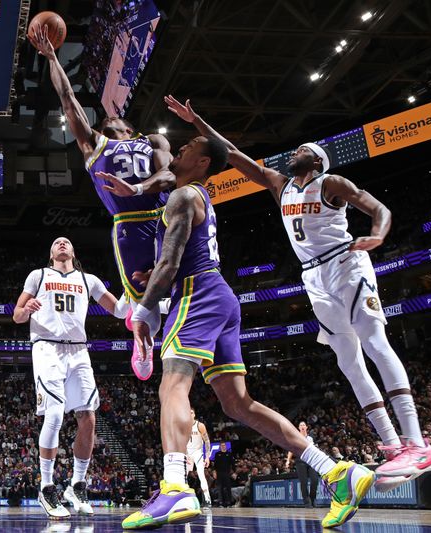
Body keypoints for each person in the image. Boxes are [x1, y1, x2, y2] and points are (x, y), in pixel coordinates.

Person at [166, 96, 431, 487]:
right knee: (348, 362)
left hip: (346, 264)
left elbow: (379, 209)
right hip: (313, 278)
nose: (294, 152)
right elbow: (231, 153)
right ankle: (394, 446)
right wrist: (197, 120)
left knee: (375, 342)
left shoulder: (330, 183)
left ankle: (417, 442)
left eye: (302, 150)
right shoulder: (280, 187)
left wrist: (378, 236)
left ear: (316, 161)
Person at [119, 130, 374, 530]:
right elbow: (174, 259)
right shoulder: (195, 198)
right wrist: (155, 272)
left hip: (196, 294)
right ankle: (335, 472)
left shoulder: (184, 196)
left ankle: (174, 487)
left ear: (203, 163)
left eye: (187, 149)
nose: (180, 150)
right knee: (237, 404)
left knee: (172, 384)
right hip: (220, 296)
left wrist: (141, 313)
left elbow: (172, 266)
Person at [30, 25, 173, 381]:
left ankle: (160, 315)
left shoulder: (152, 140)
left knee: (179, 280)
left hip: (166, 215)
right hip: (130, 226)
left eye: (112, 119)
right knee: (142, 294)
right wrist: (52, 58)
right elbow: (68, 99)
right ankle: (143, 340)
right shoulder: (95, 145)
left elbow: (170, 177)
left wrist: (137, 189)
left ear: (126, 125)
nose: (106, 119)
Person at [13, 237, 128, 519]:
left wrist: (137, 289)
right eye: (56, 242)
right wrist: (26, 310)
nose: (62, 243)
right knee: (54, 415)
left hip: (78, 350)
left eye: (66, 242)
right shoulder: (38, 275)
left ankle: (77, 484)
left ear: (73, 252)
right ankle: (47, 486)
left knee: (88, 416)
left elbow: (121, 311)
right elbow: (16, 315)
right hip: (47, 347)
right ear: (51, 252)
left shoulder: (89, 280)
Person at [285, 421, 319, 507]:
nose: (302, 426)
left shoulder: (311, 438)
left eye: (304, 425)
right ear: (298, 428)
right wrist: (288, 460)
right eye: (301, 425)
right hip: (300, 460)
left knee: (315, 480)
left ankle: (312, 498)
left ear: (306, 427)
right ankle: (306, 501)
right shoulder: (295, 437)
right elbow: (291, 449)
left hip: (311, 461)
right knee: (303, 482)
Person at [185, 407, 211, 508]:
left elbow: (207, 441)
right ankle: (185, 499)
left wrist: (207, 457)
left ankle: (207, 499)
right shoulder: (184, 426)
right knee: (184, 477)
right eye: (188, 413)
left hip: (198, 453)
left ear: (194, 414)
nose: (190, 415)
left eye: (191, 413)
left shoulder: (200, 425)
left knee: (201, 475)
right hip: (188, 453)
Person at [212, 442, 233, 507]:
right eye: (222, 445)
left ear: (226, 446)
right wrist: (214, 472)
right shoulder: (217, 454)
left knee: (228, 488)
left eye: (224, 445)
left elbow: (232, 463)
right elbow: (215, 465)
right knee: (220, 488)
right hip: (219, 473)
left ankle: (229, 502)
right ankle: (221, 502)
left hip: (227, 473)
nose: (223, 446)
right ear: (220, 447)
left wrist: (233, 472)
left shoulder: (229, 454)